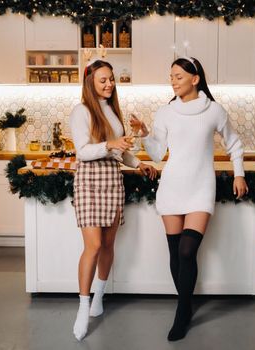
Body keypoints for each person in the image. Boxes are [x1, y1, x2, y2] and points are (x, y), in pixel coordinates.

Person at [130, 56, 248, 341]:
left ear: (195, 79)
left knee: (186, 251)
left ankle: (182, 312)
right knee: (175, 254)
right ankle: (186, 306)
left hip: (200, 186)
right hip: (172, 185)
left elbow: (234, 143)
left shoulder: (214, 111)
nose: (173, 81)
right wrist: (145, 133)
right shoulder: (166, 112)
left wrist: (239, 174)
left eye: (178, 76)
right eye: (170, 76)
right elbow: (158, 154)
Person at [69, 59, 157, 341]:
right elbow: (82, 151)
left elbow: (120, 152)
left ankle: (99, 298)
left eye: (111, 79)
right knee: (93, 246)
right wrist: (109, 144)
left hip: (112, 180)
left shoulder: (114, 112)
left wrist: (138, 163)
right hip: (89, 181)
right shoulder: (81, 111)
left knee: (108, 244)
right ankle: (83, 307)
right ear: (90, 82)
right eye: (103, 80)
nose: (109, 84)